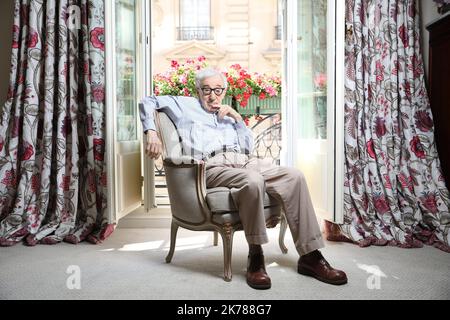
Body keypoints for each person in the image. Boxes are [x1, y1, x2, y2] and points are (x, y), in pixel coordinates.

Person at [139, 68, 348, 289]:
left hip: (243, 161)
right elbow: (148, 101)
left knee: (293, 176)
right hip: (211, 166)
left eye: (218, 90)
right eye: (207, 90)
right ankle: (255, 255)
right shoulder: (184, 105)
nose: (212, 96)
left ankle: (310, 255)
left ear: (224, 90)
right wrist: (151, 132)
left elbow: (248, 148)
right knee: (253, 181)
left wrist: (237, 118)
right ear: (197, 90)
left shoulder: (229, 115)